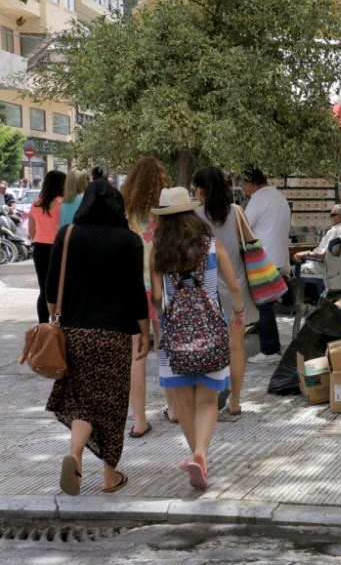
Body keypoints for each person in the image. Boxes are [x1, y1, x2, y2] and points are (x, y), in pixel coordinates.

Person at [45, 179, 150, 495]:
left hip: (74, 333)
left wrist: (53, 315)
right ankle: (109, 475)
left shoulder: (68, 235)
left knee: (82, 401)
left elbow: (51, 288)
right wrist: (144, 331)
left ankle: (74, 453)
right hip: (114, 336)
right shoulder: (129, 241)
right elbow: (135, 292)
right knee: (111, 404)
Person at [151, 187, 245, 489]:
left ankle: (196, 455)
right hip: (210, 330)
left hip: (174, 333)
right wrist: (239, 312)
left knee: (183, 403)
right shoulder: (211, 246)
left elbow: (155, 297)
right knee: (207, 400)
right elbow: (233, 286)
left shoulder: (159, 251)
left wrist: (158, 321)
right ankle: (201, 455)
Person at [193, 166, 259, 419]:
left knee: (209, 349)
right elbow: (252, 244)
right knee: (236, 348)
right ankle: (235, 402)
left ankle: (209, 402)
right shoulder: (237, 212)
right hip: (237, 289)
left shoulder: (195, 216)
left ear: (200, 190)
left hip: (207, 291)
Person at [120, 157, 170, 436]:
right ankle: (174, 409)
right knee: (165, 348)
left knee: (137, 354)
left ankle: (139, 421)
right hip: (161, 287)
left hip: (132, 289)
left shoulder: (124, 214)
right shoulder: (163, 214)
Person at [241, 166, 290, 366]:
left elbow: (243, 225)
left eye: (243, 184)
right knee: (263, 303)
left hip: (263, 258)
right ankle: (263, 339)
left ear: (251, 184)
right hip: (277, 257)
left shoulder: (258, 199)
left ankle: (270, 348)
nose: (243, 188)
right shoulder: (278, 196)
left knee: (263, 304)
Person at [291, 203, 341, 295]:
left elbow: (323, 255)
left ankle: (297, 303)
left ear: (340, 217)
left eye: (332, 215)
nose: (330, 217)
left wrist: (305, 253)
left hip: (325, 269)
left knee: (291, 270)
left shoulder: (336, 230)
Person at [28, 170, 66, 323]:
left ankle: (43, 325)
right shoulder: (62, 203)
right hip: (58, 248)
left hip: (39, 248)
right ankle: (58, 321)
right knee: (59, 287)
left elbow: (31, 231)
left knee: (43, 289)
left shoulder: (36, 204)